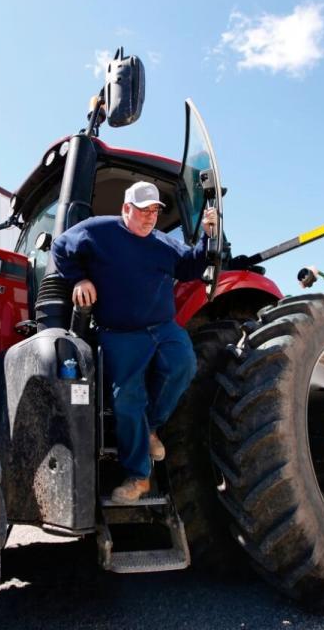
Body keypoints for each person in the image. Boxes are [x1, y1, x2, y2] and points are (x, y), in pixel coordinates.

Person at [51, 181, 218, 503]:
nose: (150, 218)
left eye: (155, 211)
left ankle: (152, 426)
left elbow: (191, 267)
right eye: (144, 211)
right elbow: (60, 247)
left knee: (183, 364)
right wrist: (80, 278)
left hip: (162, 327)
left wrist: (209, 236)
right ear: (126, 209)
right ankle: (138, 477)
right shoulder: (97, 231)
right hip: (120, 333)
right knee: (127, 401)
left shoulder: (162, 243)